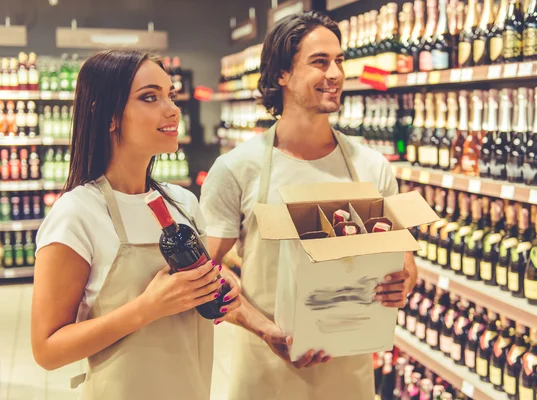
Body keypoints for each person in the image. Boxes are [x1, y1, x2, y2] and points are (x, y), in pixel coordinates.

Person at [200, 11, 418, 400]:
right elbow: (204, 278)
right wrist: (265, 330)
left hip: (348, 370)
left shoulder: (372, 167)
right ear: (282, 74)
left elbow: (403, 264)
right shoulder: (237, 169)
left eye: (339, 61)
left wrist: (401, 284)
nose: (335, 73)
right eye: (320, 62)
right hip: (264, 367)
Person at [30, 49, 241, 400]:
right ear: (109, 115)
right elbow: (48, 350)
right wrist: (147, 308)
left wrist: (220, 285)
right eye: (149, 97)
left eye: (170, 95)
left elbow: (201, 290)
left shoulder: (183, 203)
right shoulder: (78, 213)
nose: (172, 109)